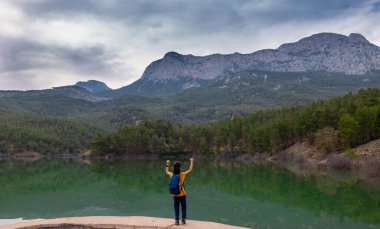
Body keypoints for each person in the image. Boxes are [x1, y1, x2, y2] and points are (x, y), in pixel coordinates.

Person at [165, 158, 194, 226]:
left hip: (174, 195)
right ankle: (183, 220)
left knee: (176, 207)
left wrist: (167, 164)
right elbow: (190, 169)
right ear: (180, 167)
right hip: (182, 194)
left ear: (173, 167)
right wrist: (192, 161)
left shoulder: (171, 174)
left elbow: (166, 171)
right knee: (183, 207)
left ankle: (177, 221)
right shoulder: (182, 174)